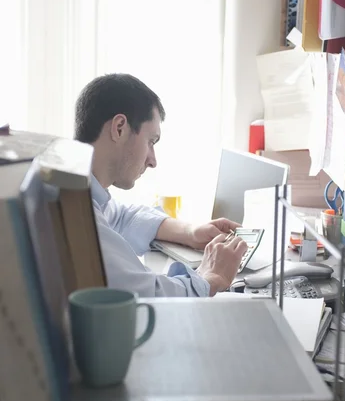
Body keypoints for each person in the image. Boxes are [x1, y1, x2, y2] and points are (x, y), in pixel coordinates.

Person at [74, 73, 247, 297]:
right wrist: (210, 277)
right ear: (119, 128)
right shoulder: (78, 213)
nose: (152, 161)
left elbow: (120, 217)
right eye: (151, 141)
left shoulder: (79, 186)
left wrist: (190, 232)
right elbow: (150, 296)